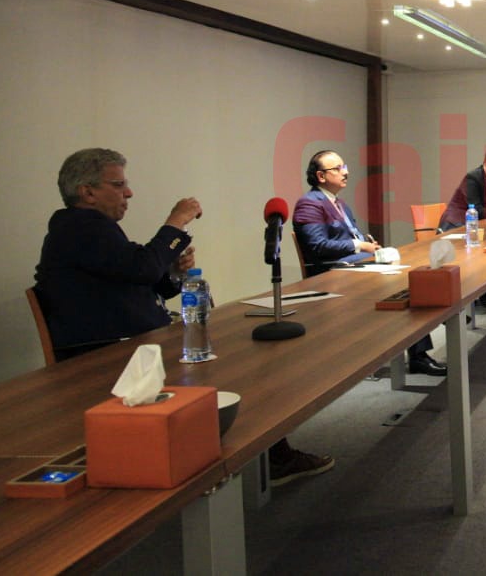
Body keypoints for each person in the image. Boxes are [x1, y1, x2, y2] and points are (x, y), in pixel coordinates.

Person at [34, 148, 333, 486]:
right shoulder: (79, 228)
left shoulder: (92, 229)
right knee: (243, 367)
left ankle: (266, 455)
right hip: (107, 356)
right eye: (118, 185)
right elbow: (143, 268)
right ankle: (260, 460)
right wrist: (176, 221)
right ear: (87, 192)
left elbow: (143, 280)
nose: (128, 193)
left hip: (135, 343)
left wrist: (173, 271)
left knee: (240, 360)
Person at [294, 150, 446, 377]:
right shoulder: (309, 204)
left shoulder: (340, 204)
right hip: (333, 270)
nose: (345, 172)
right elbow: (317, 246)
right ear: (321, 176)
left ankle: (424, 343)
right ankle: (420, 353)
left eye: (344, 167)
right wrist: (359, 246)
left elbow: (350, 238)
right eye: (337, 168)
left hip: (354, 264)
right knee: (403, 280)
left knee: (409, 274)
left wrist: (368, 245)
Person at [438, 146, 486, 311]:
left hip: (479, 225)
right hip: (456, 224)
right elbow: (477, 210)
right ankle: (465, 301)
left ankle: (481, 291)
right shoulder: (473, 178)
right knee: (472, 256)